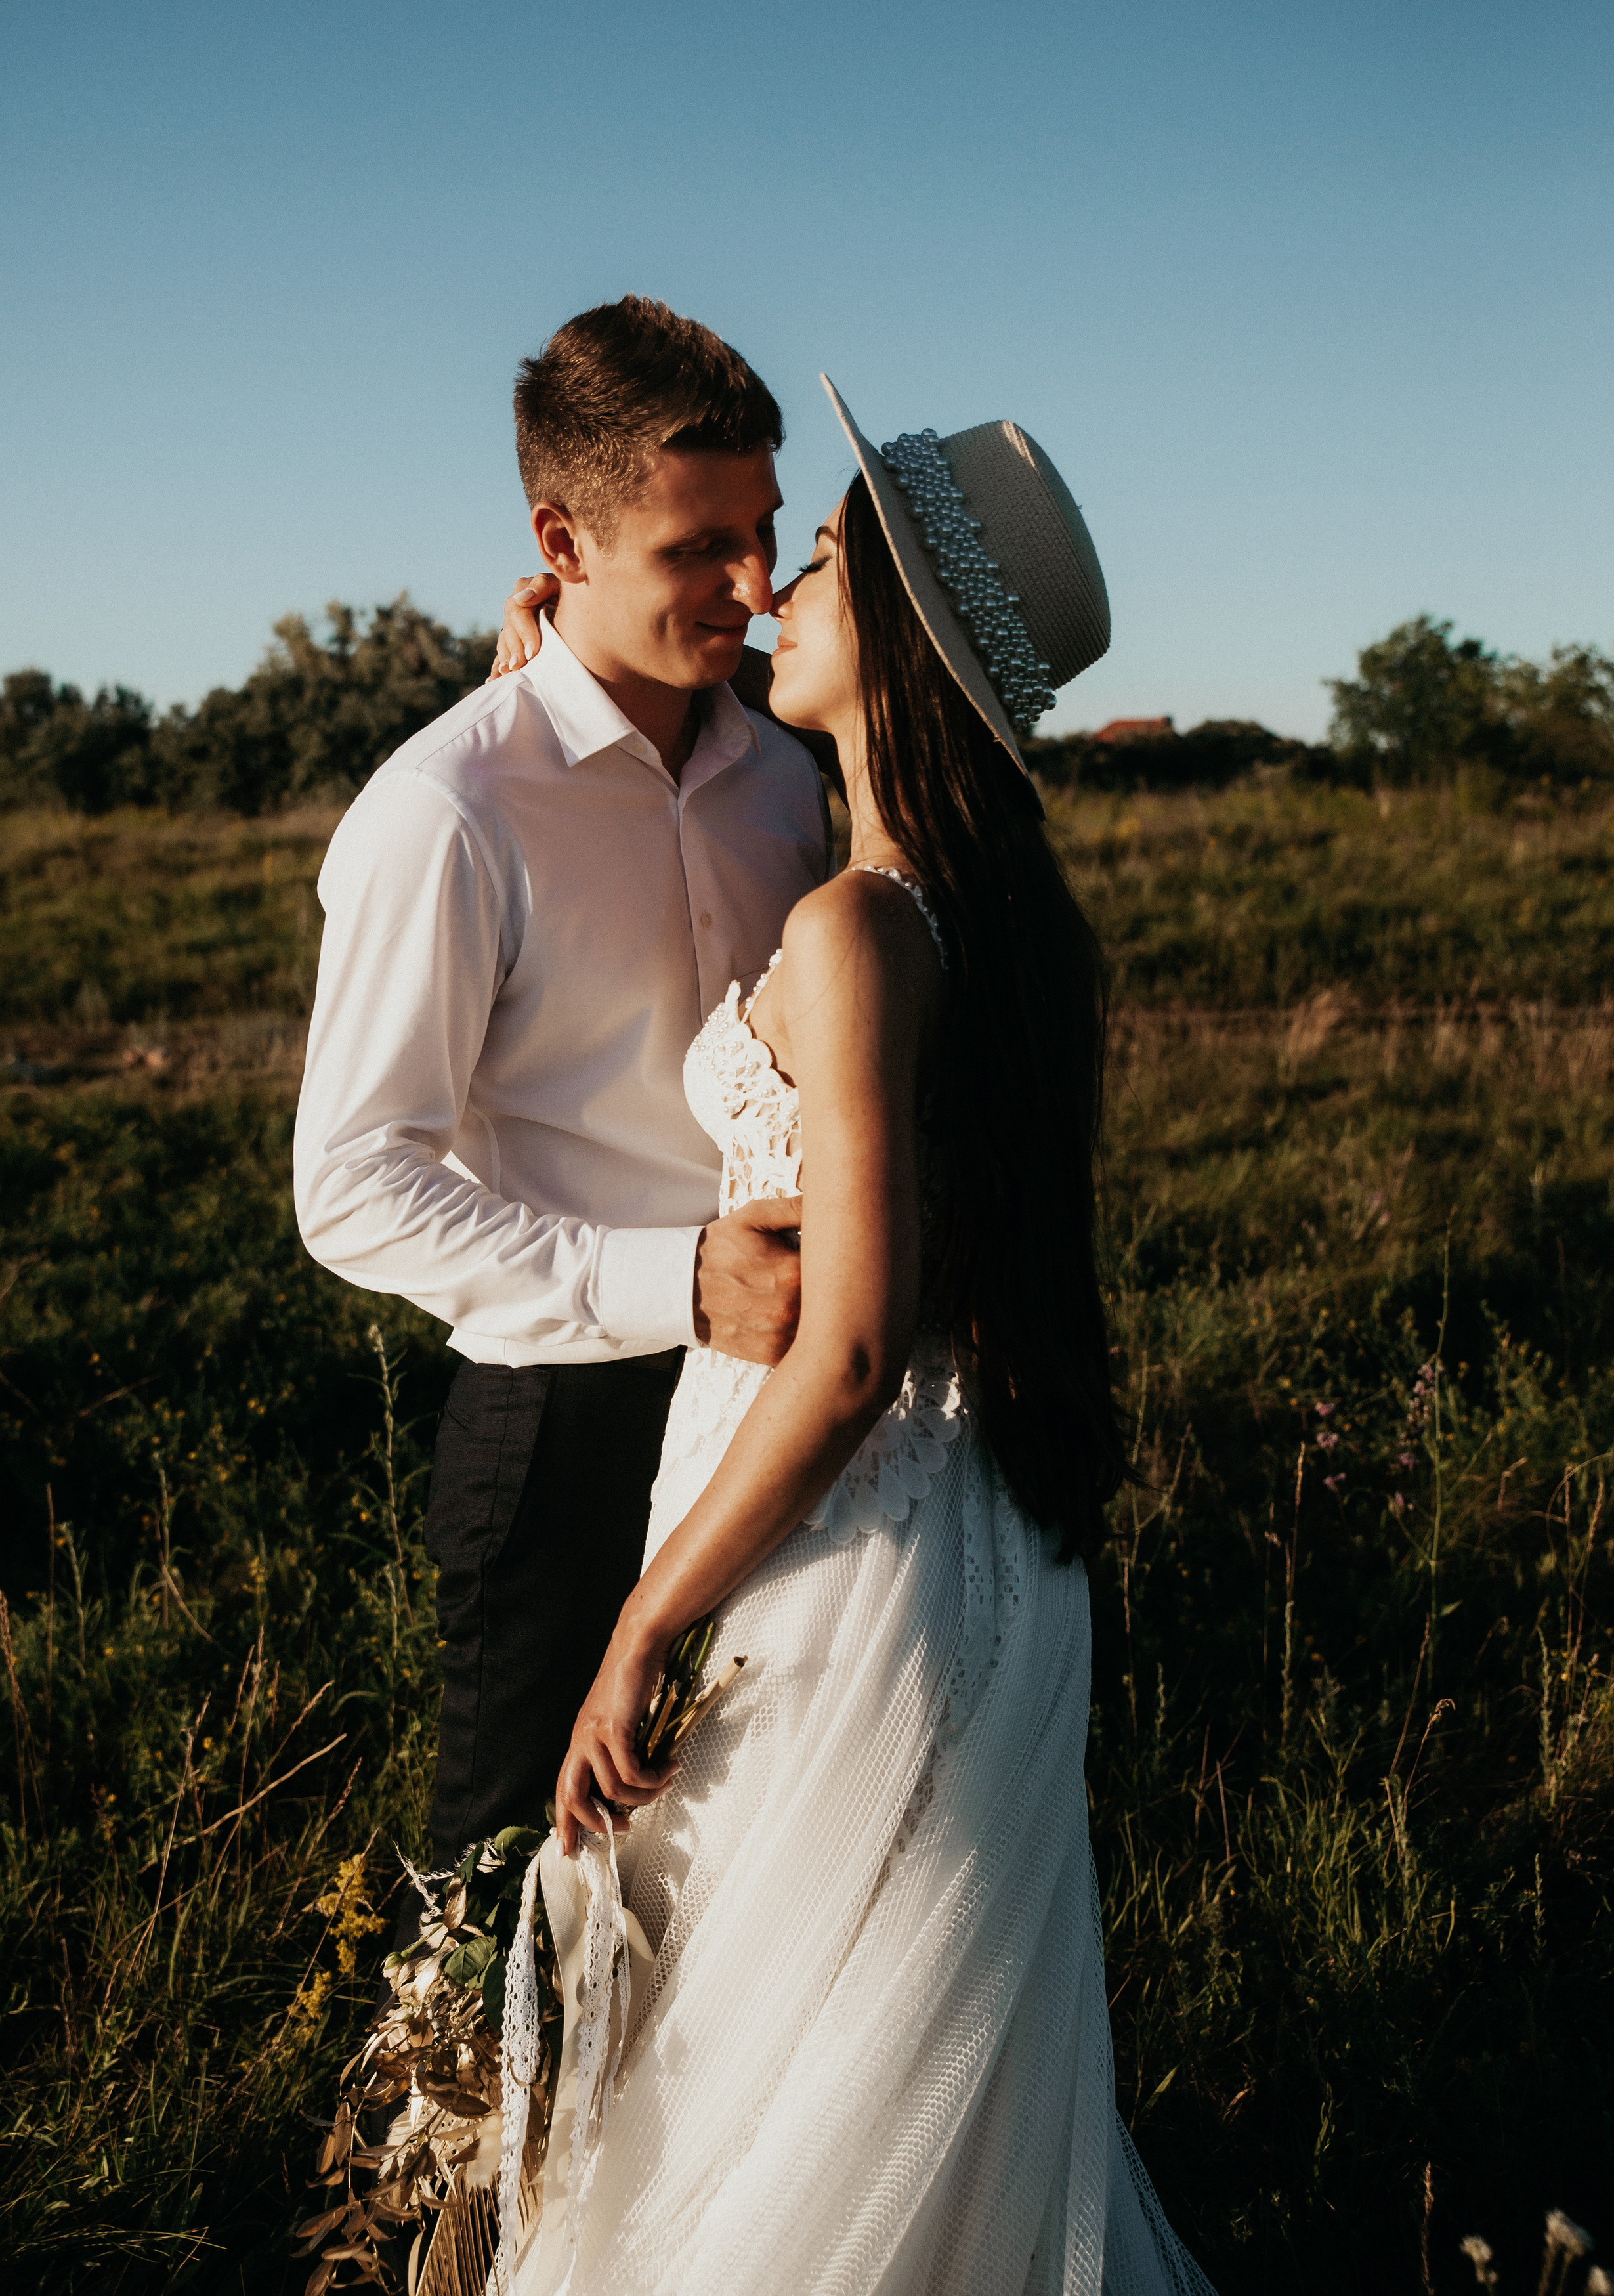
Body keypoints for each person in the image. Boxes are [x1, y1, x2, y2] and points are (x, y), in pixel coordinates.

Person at [491, 379, 1215, 2295]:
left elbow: (854, 1348)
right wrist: (548, 675)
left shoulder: (857, 929)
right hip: (984, 1545)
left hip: (853, 1562)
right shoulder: (1000, 916)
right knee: (900, 2074)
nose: (771, 593)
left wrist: (640, 1630)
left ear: (893, 630)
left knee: (775, 2084)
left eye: (810, 564)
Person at [293, 297, 833, 1896]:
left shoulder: (791, 776)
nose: (747, 589)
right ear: (561, 538)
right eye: (692, 551)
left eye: (762, 539)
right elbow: (353, 1184)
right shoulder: (447, 809)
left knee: (733, 1886)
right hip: (562, 1424)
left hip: (786, 1410)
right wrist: (673, 1282)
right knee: (512, 1901)